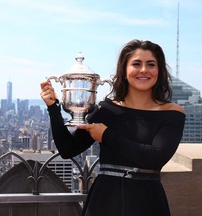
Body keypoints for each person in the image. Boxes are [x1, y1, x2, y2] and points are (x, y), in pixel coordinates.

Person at [40, 39, 185, 216]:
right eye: (136, 64)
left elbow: (154, 158)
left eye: (151, 64)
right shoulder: (106, 110)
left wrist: (106, 135)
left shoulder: (172, 113)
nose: (144, 70)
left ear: (159, 71)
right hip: (104, 201)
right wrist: (53, 107)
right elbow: (68, 149)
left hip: (147, 202)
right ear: (124, 71)